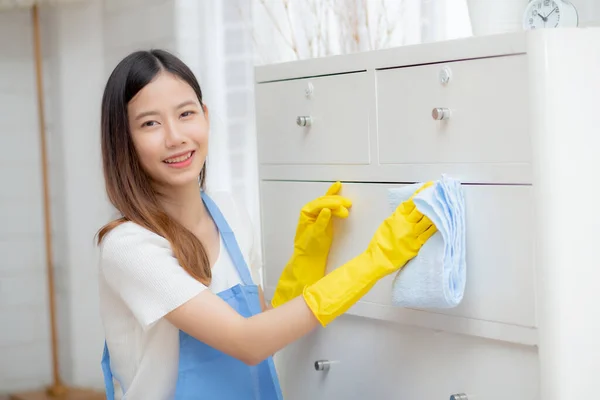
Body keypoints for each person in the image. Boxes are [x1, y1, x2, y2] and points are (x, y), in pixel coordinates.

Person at [96, 49, 437, 400]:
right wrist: (374, 261)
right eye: (150, 123)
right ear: (124, 140)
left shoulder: (228, 212)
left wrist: (305, 261)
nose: (175, 137)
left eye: (186, 113)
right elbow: (247, 342)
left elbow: (263, 329)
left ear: (206, 116)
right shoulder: (130, 246)